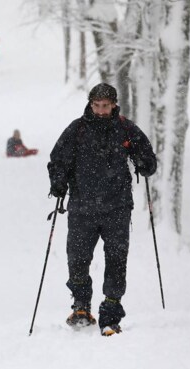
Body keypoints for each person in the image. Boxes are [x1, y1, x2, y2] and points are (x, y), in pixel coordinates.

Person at [47, 83, 157, 336]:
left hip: (117, 207)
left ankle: (110, 314)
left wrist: (143, 163)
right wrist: (58, 182)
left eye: (105, 106)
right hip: (82, 207)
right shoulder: (77, 129)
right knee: (77, 259)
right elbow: (57, 160)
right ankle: (81, 307)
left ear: (114, 105)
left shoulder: (127, 129)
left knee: (116, 260)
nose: (100, 110)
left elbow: (149, 162)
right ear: (90, 103)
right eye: (96, 105)